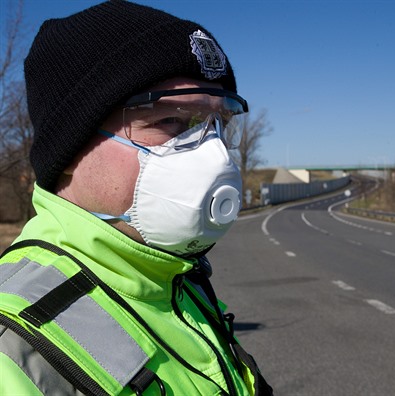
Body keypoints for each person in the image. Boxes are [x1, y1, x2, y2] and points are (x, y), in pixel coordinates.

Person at [0, 1, 273, 395]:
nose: (214, 154)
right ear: (70, 148)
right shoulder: (12, 347)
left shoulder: (176, 276)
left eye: (218, 124)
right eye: (169, 121)